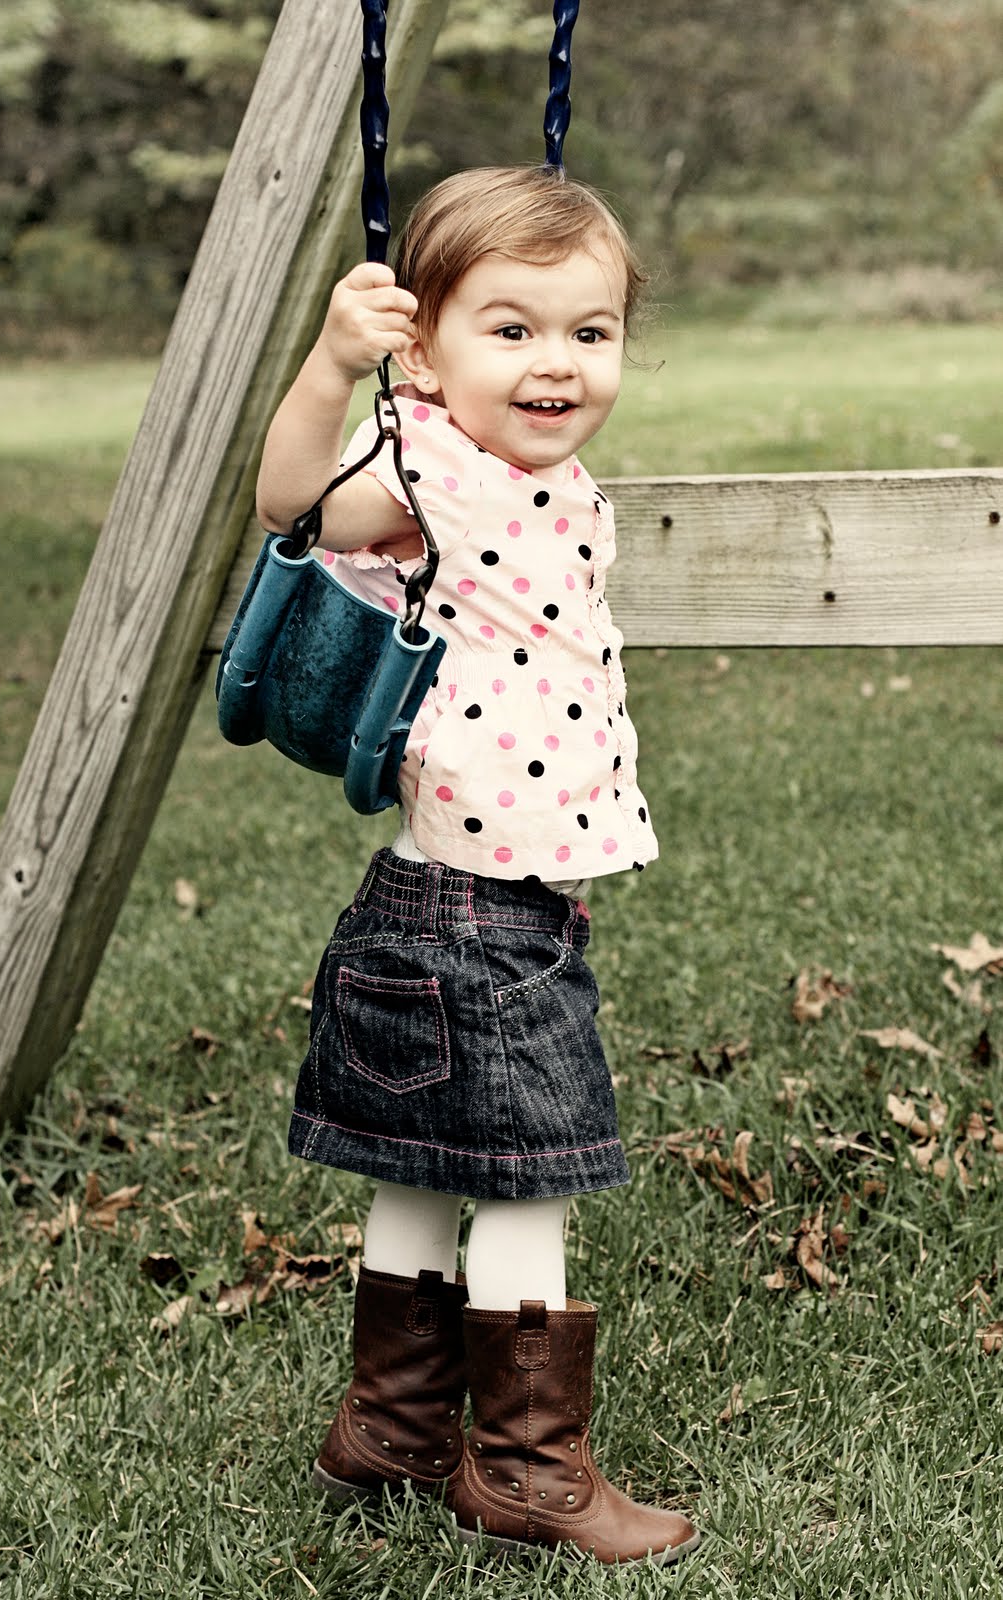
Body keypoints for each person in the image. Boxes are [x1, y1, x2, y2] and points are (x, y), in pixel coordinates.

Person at [255, 165, 701, 1568]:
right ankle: (526, 1471)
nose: (556, 362)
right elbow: (289, 502)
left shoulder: (547, 478)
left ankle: (388, 1429)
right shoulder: (426, 465)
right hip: (477, 918)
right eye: (511, 330)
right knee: (520, 1177)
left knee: (415, 1161)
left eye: (589, 331)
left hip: (443, 902)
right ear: (426, 354)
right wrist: (333, 366)